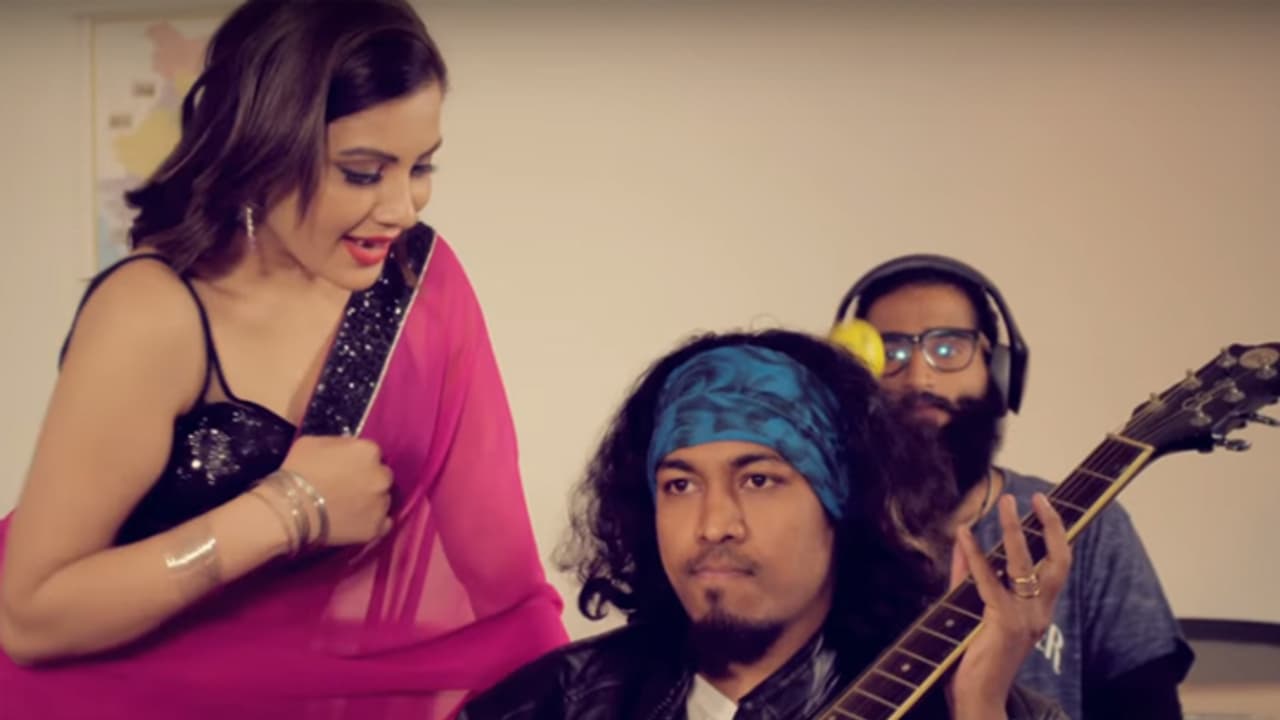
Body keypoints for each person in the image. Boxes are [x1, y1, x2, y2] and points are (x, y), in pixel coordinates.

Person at [0, 1, 567, 717]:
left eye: (421, 166)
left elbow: (505, 586)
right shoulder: (153, 312)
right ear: (262, 153)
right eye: (362, 172)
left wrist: (580, 695)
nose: (403, 207)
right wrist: (289, 509)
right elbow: (32, 617)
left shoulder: (416, 279)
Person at [460, 329, 1073, 719]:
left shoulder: (992, 711)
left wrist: (979, 706)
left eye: (758, 480)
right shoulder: (544, 707)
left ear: (842, 505)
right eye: (680, 485)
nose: (713, 525)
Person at [831, 254, 1194, 719]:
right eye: (891, 352)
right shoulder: (818, 529)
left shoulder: (1088, 527)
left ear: (999, 371)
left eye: (949, 348)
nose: (920, 378)